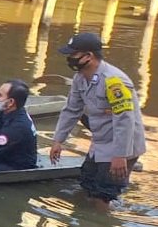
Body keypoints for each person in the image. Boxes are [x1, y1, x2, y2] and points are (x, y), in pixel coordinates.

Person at [49, 32, 146, 206]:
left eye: (73, 55)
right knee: (87, 183)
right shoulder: (80, 78)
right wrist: (58, 140)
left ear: (88, 56)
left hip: (123, 144)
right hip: (101, 142)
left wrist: (120, 155)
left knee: (102, 195)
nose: (69, 59)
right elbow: (71, 110)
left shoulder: (114, 81)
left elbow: (124, 120)